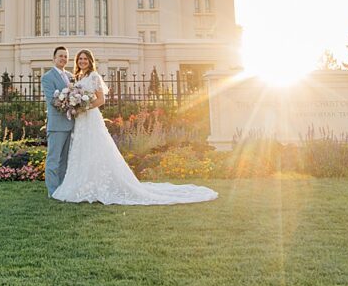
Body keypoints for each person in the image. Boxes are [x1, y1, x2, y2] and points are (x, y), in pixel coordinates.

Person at [51, 49, 218, 205]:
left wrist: (83, 107)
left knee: (96, 148)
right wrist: (75, 105)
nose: (82, 61)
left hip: (90, 118)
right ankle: (82, 184)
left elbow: (101, 100)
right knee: (82, 150)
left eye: (85, 59)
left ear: (90, 61)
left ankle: (99, 185)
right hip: (80, 121)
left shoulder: (94, 76)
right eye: (80, 59)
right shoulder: (77, 77)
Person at [40, 46, 73, 196]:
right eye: (60, 56)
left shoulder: (71, 76)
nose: (63, 59)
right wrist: (72, 102)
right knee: (53, 159)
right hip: (57, 125)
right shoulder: (47, 77)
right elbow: (53, 100)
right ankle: (52, 191)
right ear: (54, 58)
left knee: (65, 161)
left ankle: (62, 188)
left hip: (71, 124)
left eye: (66, 56)